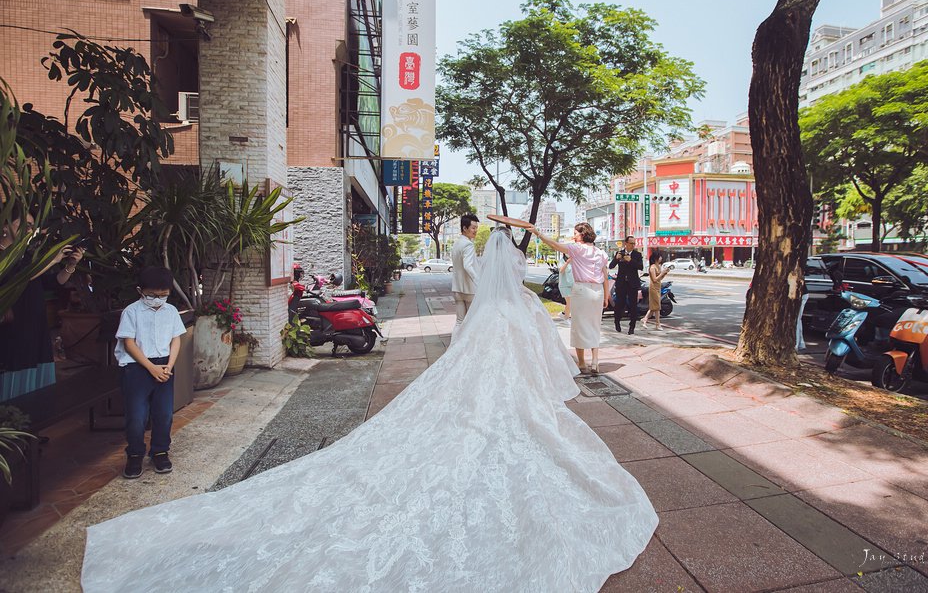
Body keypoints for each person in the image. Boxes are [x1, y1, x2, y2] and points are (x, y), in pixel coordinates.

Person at [81, 227, 658, 592]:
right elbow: (544, 366)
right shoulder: (529, 310)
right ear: (519, 268)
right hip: (513, 402)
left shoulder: (483, 316)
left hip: (471, 399)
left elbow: (463, 359)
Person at [0, 210, 84, 401]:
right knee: (16, 367)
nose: (30, 229)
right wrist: (52, 259)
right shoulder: (4, 257)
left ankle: (33, 422)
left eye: (31, 225)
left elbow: (54, 281)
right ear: (5, 227)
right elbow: (20, 278)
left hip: (35, 325)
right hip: (13, 328)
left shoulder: (26, 256)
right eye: (24, 224)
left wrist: (70, 265)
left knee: (36, 371)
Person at [114, 266, 186, 479]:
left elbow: (176, 339)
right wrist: (151, 367)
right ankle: (135, 454)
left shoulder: (171, 311)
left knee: (163, 414)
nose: (158, 299)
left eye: (163, 295)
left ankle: (160, 451)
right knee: (136, 416)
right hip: (137, 367)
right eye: (152, 295)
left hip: (164, 366)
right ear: (140, 291)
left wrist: (169, 366)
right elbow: (129, 344)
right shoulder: (131, 312)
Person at [529, 223, 609, 374]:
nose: (574, 236)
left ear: (582, 235)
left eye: (576, 234)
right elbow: (605, 275)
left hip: (581, 289)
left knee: (579, 325)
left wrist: (538, 233)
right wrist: (606, 295)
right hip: (597, 291)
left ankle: (582, 363)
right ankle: (595, 361)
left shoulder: (577, 249)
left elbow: (555, 245)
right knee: (595, 324)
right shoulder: (601, 253)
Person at [450, 213, 479, 333]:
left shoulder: (456, 244)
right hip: (469, 290)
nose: (475, 231)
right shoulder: (468, 244)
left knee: (459, 322)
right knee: (471, 322)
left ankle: (454, 348)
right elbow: (468, 266)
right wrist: (479, 281)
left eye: (476, 228)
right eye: (473, 228)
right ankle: (467, 350)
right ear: (464, 228)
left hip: (457, 288)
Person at [609, 236, 644, 335]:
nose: (633, 245)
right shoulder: (620, 253)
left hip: (632, 283)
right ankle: (617, 322)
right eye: (631, 243)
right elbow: (611, 266)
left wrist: (630, 260)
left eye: (634, 243)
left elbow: (640, 267)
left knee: (633, 305)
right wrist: (616, 259)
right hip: (621, 283)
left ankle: (632, 327)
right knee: (620, 304)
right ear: (626, 243)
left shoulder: (637, 254)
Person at [642, 252, 671, 331]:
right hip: (653, 288)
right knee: (657, 307)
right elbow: (654, 279)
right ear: (656, 258)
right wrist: (662, 273)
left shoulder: (658, 266)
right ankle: (657, 324)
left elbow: (659, 279)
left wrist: (664, 273)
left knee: (654, 307)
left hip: (658, 287)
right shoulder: (652, 267)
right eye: (660, 257)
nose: (661, 258)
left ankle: (645, 319)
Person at [557, 254, 574, 321]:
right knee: (570, 302)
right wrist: (567, 262)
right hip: (565, 285)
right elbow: (561, 270)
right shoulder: (562, 261)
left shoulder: (574, 261)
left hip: (573, 285)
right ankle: (566, 319)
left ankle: (564, 314)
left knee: (572, 303)